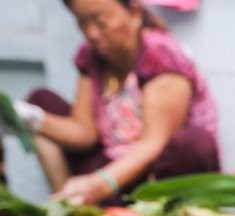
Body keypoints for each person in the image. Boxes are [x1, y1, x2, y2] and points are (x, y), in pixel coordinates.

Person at [8, 0, 220, 205]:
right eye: (82, 22)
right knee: (41, 101)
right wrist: (32, 119)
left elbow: (154, 143)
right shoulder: (91, 56)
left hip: (154, 176)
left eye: (100, 22)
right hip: (113, 165)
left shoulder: (161, 54)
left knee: (193, 144)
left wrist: (101, 183)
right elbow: (85, 133)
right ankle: (69, 212)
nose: (92, 33)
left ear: (135, 11)